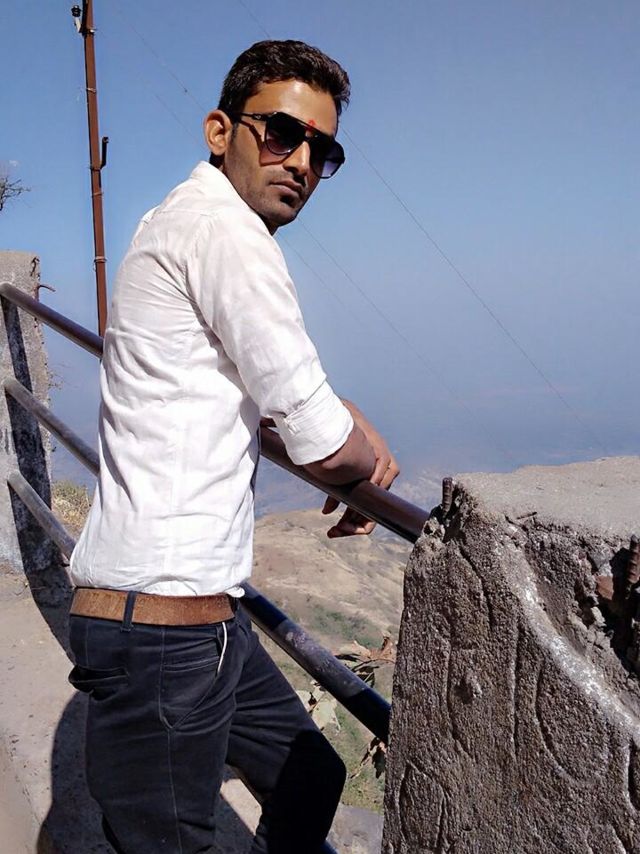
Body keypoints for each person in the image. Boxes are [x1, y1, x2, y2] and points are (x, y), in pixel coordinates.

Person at [68, 39, 399, 854]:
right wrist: (369, 465)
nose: (303, 163)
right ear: (222, 131)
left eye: (323, 151)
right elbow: (326, 447)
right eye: (282, 133)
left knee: (310, 774)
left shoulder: (178, 220)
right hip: (162, 629)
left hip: (199, 617)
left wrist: (337, 414)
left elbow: (239, 386)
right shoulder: (228, 235)